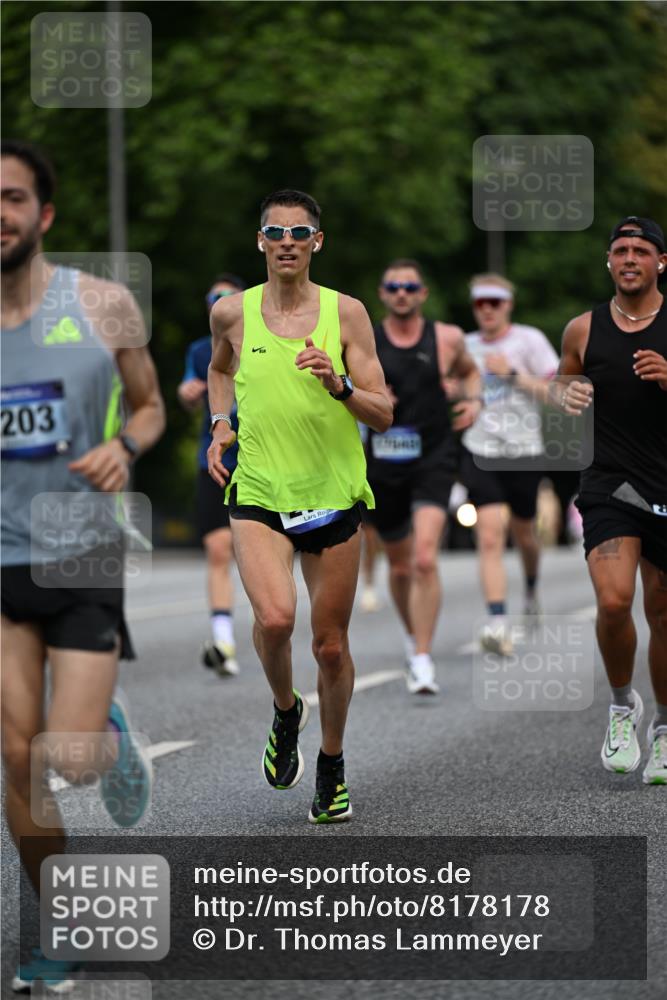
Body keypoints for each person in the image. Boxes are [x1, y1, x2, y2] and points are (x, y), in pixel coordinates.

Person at [1, 139, 165, 992]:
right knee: (17, 756)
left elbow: (149, 406)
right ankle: (60, 926)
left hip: (82, 552)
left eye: (12, 197)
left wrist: (122, 448)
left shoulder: (101, 304)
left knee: (68, 759)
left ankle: (104, 729)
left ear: (45, 214)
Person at [207, 189, 392, 824]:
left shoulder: (347, 314)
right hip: (259, 490)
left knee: (330, 647)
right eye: (276, 231)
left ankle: (331, 763)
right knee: (276, 618)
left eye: (300, 232)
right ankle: (286, 711)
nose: (287, 241)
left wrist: (339, 384)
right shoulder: (232, 313)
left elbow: (383, 412)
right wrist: (220, 424)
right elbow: (220, 371)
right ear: (260, 240)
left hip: (332, 495)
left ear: (318, 241)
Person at [553, 216, 667, 785]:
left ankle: (664, 728)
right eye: (620, 250)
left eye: (641, 250)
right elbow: (561, 384)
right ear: (608, 261)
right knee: (616, 599)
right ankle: (623, 705)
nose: (629, 259)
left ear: (660, 262)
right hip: (610, 485)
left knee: (662, 612)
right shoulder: (583, 329)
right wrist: (566, 395)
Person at [365, 259, 481, 694]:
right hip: (383, 460)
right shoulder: (365, 339)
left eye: (410, 287)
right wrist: (369, 394)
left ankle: (422, 657)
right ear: (383, 293)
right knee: (399, 565)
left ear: (423, 294)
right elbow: (338, 386)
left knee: (425, 558)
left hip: (434, 455)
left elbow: (470, 373)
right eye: (394, 287)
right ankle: (412, 634)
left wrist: (472, 401)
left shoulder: (446, 337)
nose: (402, 294)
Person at [457, 273, 559, 656]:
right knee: (489, 535)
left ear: (508, 305)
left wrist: (512, 375)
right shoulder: (464, 345)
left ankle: (531, 588)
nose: (487, 309)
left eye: (494, 302)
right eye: (480, 302)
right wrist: (456, 396)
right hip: (479, 449)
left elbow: (557, 394)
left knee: (525, 534)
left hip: (523, 451)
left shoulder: (530, 340)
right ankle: (497, 620)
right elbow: (452, 388)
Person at [178, 273, 245, 675]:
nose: (219, 304)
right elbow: (188, 389)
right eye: (213, 298)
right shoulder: (200, 350)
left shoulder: (264, 343)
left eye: (227, 297)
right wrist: (187, 392)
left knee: (259, 557)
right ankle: (224, 642)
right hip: (216, 463)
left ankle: (275, 632)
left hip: (262, 462)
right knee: (219, 550)